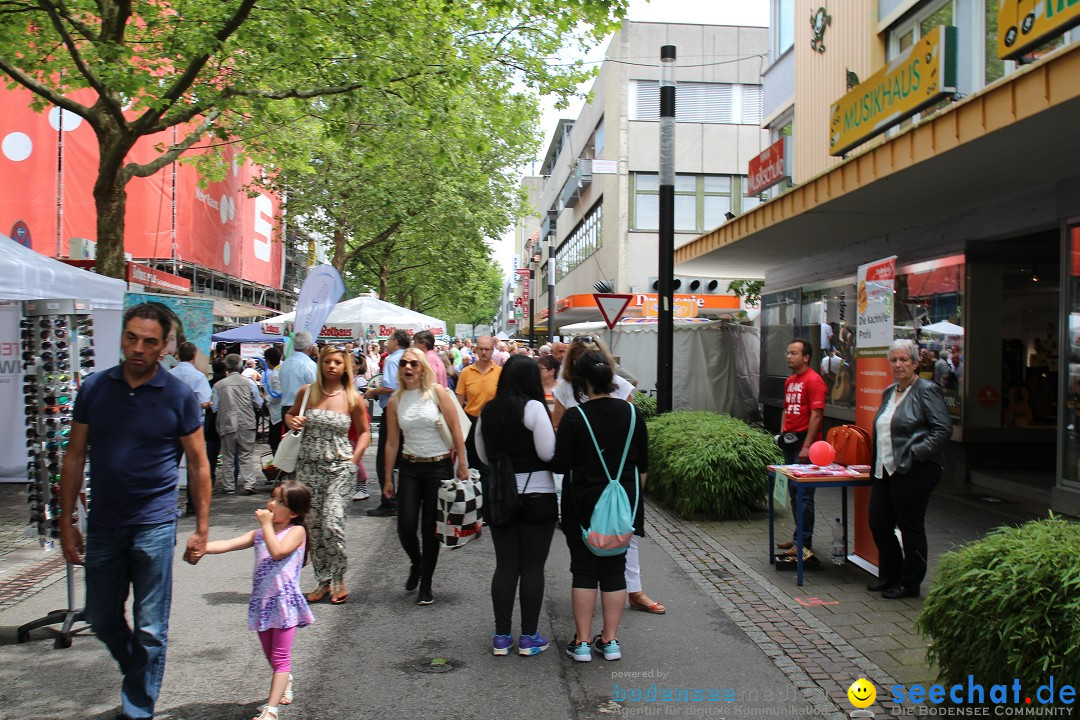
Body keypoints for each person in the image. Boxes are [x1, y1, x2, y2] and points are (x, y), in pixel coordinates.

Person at [58, 302, 211, 720]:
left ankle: (138, 709)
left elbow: (198, 463)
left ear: (164, 348)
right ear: (122, 337)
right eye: (132, 338)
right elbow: (74, 457)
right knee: (101, 617)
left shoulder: (179, 396)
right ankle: (137, 674)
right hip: (105, 522)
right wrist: (67, 522)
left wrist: (201, 527)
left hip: (155, 525)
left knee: (150, 628)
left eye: (149, 342)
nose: (138, 348)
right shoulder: (94, 388)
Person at [552, 336, 664, 615]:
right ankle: (607, 605)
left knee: (621, 539)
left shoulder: (620, 390)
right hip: (593, 476)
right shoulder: (566, 388)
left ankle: (630, 590)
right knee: (591, 544)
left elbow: (632, 439)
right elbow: (560, 426)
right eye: (578, 357)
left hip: (613, 476)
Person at [205, 480, 314, 720]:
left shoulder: (296, 531)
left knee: (281, 658)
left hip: (284, 604)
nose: (272, 504)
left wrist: (265, 524)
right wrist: (201, 547)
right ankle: (285, 679)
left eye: (280, 501)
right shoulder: (259, 534)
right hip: (262, 603)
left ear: (294, 512)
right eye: (272, 498)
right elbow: (228, 544)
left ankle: (271, 710)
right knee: (272, 657)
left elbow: (278, 552)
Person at [476, 355, 557, 656]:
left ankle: (501, 636)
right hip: (538, 495)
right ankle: (529, 637)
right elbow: (547, 452)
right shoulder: (534, 408)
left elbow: (483, 456)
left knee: (506, 565)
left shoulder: (488, 410)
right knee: (533, 567)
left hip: (500, 495)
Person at [382, 348, 469, 605]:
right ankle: (417, 563)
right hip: (410, 467)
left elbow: (456, 428)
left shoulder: (437, 392)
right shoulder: (396, 401)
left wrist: (462, 463)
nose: (408, 367)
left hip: (438, 467)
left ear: (422, 368)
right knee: (405, 526)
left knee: (430, 529)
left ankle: (426, 584)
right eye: (403, 364)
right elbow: (391, 443)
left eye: (414, 363)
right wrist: (388, 477)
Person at [286, 345, 370, 604]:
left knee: (333, 524)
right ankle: (322, 581)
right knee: (314, 526)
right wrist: (292, 420)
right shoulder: (307, 392)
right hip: (308, 467)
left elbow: (364, 432)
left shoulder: (352, 398)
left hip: (339, 468)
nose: (332, 366)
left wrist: (353, 461)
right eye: (327, 362)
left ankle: (339, 578)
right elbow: (289, 415)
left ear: (345, 366)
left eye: (337, 362)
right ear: (320, 365)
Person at [868, 338, 951, 600]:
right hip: (885, 469)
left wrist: (916, 453)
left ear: (915, 363)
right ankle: (891, 575)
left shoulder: (926, 389)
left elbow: (942, 429)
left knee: (910, 527)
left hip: (915, 469)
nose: (898, 364)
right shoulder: (888, 392)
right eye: (894, 359)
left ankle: (910, 583)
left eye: (904, 359)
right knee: (879, 523)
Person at [777, 339, 826, 555]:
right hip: (790, 442)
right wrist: (781, 435)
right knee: (794, 494)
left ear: (806, 357)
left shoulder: (814, 380)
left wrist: (807, 446)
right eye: (788, 352)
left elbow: (817, 415)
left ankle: (804, 543)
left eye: (794, 353)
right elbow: (786, 410)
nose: (789, 356)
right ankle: (798, 538)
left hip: (805, 444)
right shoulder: (789, 381)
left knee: (804, 495)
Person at [365, 329, 411, 517]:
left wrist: (372, 392)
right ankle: (403, 498)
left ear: (396, 341)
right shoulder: (409, 357)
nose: (386, 342)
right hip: (407, 410)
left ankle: (389, 500)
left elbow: (390, 386)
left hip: (393, 411)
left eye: (389, 339)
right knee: (404, 455)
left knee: (385, 457)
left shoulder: (393, 360)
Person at [456, 335, 502, 510]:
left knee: (490, 466)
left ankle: (489, 506)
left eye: (488, 349)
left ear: (492, 350)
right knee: (475, 465)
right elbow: (459, 403)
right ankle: (478, 505)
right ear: (475, 349)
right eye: (481, 349)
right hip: (472, 421)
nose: (484, 352)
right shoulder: (466, 373)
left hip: (493, 423)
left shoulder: (499, 372)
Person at [213, 353, 264, 495]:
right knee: (246, 454)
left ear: (226, 366)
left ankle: (228, 485)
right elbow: (258, 402)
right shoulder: (249, 383)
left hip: (227, 422)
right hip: (246, 421)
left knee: (228, 455)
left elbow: (214, 407)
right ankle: (249, 483)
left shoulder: (219, 385)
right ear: (240, 366)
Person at [171, 342, 212, 516]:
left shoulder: (168, 375)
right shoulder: (198, 376)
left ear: (178, 355)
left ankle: (169, 506)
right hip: (192, 426)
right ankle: (193, 505)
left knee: (170, 466)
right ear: (194, 356)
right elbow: (204, 402)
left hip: (170, 424)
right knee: (195, 467)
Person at [279, 331, 318, 411]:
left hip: (285, 407)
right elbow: (316, 389)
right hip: (302, 409)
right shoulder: (309, 364)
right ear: (310, 347)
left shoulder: (284, 364)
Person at [263, 346, 284, 456]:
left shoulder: (275, 374)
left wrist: (266, 398)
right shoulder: (280, 369)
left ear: (268, 360)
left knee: (275, 442)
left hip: (277, 414)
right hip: (277, 413)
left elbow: (278, 393)